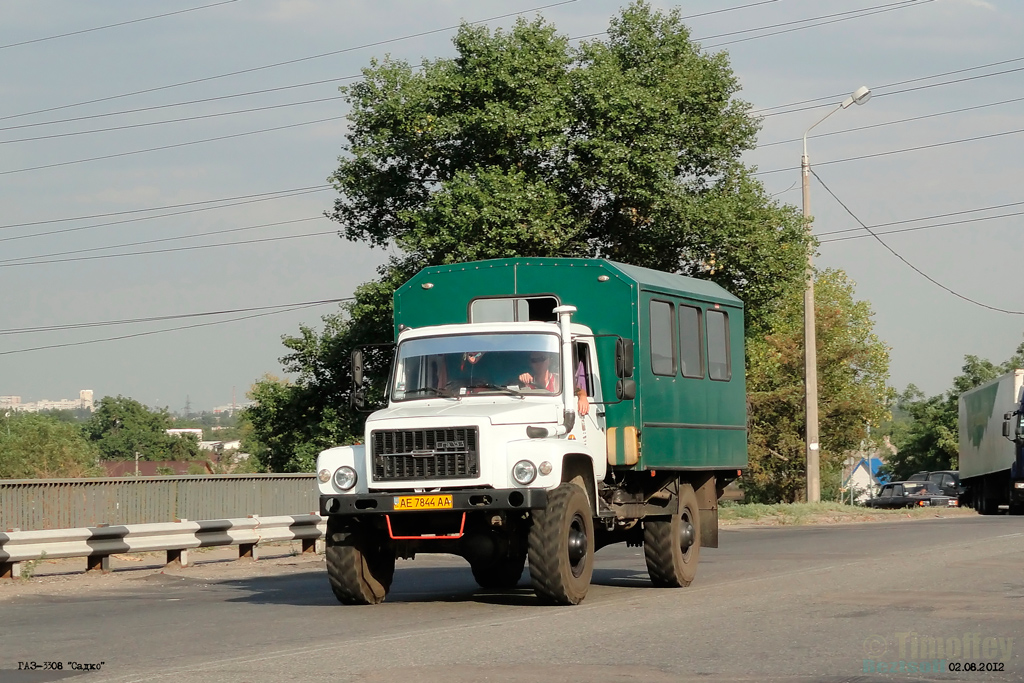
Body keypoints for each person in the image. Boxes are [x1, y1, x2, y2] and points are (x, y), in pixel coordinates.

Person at [518, 353, 589, 415]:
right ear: (531, 364)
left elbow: (578, 390)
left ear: (549, 361)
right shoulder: (526, 382)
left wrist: (583, 397)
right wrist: (522, 381)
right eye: (534, 360)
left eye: (542, 358)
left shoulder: (559, 379)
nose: (538, 363)